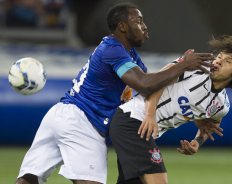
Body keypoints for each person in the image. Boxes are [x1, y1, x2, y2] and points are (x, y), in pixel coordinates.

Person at [15, 3, 215, 184]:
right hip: (84, 121)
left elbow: (153, 86)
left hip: (60, 115)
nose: (145, 26)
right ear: (122, 26)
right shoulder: (112, 50)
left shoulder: (129, 57)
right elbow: (145, 84)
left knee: (28, 179)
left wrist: (195, 117)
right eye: (138, 21)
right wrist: (183, 65)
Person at [109, 35, 232, 184]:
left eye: (228, 61)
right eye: (219, 56)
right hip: (132, 119)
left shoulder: (221, 105)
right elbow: (158, 82)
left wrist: (197, 142)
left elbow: (211, 125)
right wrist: (149, 114)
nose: (219, 61)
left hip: (145, 131)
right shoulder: (195, 68)